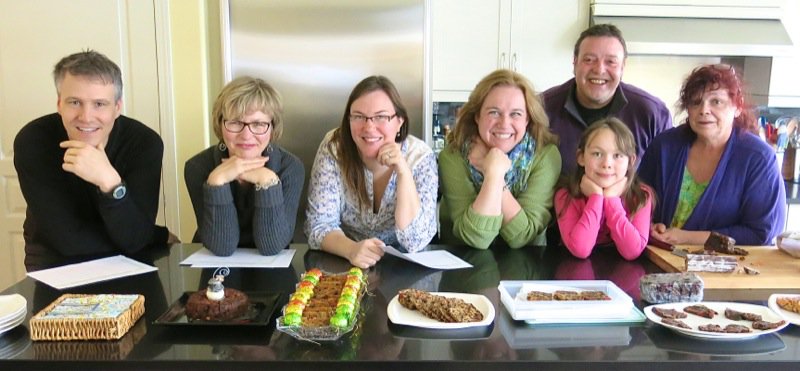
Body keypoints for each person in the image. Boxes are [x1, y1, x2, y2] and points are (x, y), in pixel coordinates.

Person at [13, 50, 171, 271]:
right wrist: (153, 235)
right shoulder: (33, 141)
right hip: (55, 264)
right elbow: (69, 241)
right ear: (59, 104)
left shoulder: (144, 143)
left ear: (117, 107)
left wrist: (109, 182)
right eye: (75, 102)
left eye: (99, 104)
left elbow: (135, 239)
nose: (86, 117)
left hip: (129, 262)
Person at [639, 64, 786, 245]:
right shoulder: (664, 146)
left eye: (716, 101)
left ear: (737, 107)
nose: (704, 110)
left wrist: (686, 237)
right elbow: (636, 202)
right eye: (696, 102)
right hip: (660, 258)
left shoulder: (759, 158)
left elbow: (760, 232)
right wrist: (650, 226)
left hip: (728, 268)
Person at [305, 76, 438, 269]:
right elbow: (317, 225)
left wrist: (403, 171)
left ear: (399, 121)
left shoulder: (420, 157)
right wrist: (351, 249)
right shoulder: (334, 147)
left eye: (381, 117)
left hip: (403, 268)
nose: (368, 127)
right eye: (358, 116)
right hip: (344, 259)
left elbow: (415, 241)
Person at [439, 69, 561, 249]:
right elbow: (475, 238)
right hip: (462, 266)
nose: (504, 123)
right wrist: (494, 175)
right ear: (477, 116)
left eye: (516, 114)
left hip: (527, 268)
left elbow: (524, 236)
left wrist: (494, 174)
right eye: (494, 112)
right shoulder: (453, 156)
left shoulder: (546, 156)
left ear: (527, 119)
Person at [184, 77, 304, 256]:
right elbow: (222, 247)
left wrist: (267, 180)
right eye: (235, 122)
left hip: (273, 270)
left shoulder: (290, 167)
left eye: (258, 124)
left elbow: (271, 246)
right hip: (216, 269)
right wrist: (217, 182)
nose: (246, 135)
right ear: (220, 124)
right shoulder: (198, 166)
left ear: (272, 128)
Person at [542, 24, 672, 174]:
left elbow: (667, 178)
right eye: (589, 60)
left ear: (622, 67)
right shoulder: (542, 109)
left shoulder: (653, 114)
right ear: (575, 63)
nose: (599, 70)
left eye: (610, 62)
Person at [554, 118, 653, 260]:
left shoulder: (641, 196)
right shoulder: (565, 195)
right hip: (577, 275)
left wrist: (611, 199)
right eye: (597, 154)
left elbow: (632, 252)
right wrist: (596, 198)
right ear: (581, 157)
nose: (607, 164)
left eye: (617, 155)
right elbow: (580, 250)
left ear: (631, 161)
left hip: (623, 276)